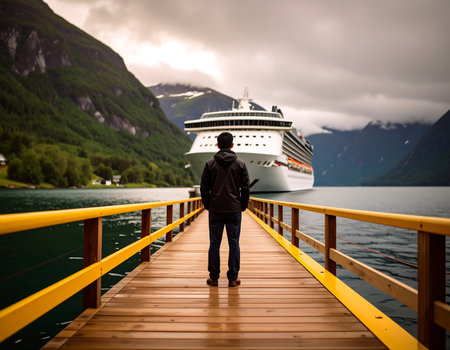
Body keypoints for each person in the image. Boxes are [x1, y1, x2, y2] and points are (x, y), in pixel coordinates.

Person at [200, 132, 250, 287]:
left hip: (215, 209)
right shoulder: (241, 164)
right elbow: (245, 188)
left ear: (218, 145)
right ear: (232, 145)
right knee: (234, 243)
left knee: (214, 243)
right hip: (234, 210)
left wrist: (208, 205)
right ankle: (233, 278)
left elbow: (204, 188)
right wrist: (242, 205)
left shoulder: (209, 164)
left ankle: (214, 278)